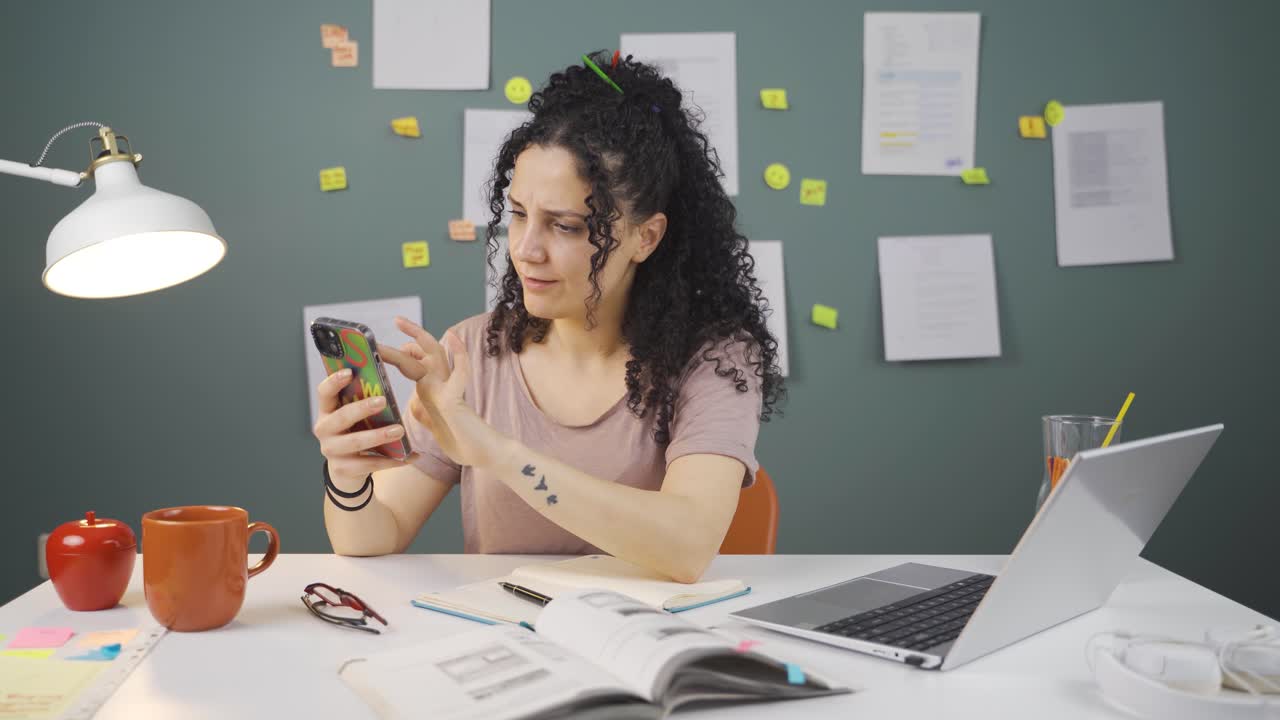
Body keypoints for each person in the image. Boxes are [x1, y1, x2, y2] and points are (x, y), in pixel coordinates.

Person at [313, 51, 783, 583]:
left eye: (566, 226)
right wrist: (347, 476)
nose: (525, 250)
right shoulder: (472, 353)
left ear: (646, 237)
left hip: (649, 633)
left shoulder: (716, 359)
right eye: (518, 215)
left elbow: (687, 546)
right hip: (505, 629)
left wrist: (495, 452)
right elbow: (374, 535)